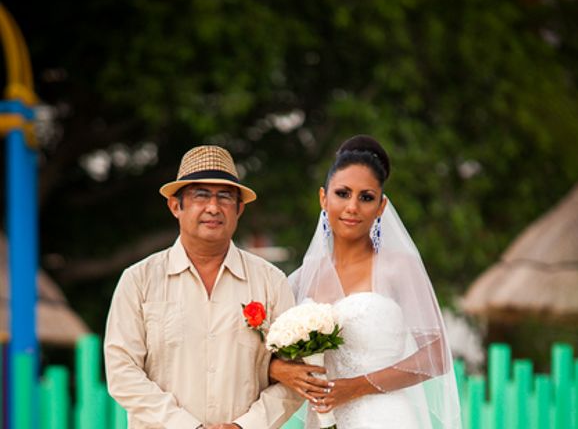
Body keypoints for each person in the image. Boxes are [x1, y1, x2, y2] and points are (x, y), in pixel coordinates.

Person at [269, 135, 462, 428]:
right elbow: (268, 354)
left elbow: (435, 357)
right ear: (323, 197)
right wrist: (281, 369)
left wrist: (356, 386)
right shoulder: (300, 279)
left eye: (366, 197)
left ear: (381, 206)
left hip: (385, 417)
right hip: (323, 420)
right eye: (343, 193)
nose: (352, 207)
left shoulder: (398, 268)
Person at [104, 145, 301, 429]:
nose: (213, 207)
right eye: (200, 195)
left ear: (239, 209)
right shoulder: (139, 280)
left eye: (225, 197)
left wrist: (245, 426)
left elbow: (295, 376)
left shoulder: (270, 281)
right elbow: (122, 372)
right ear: (175, 206)